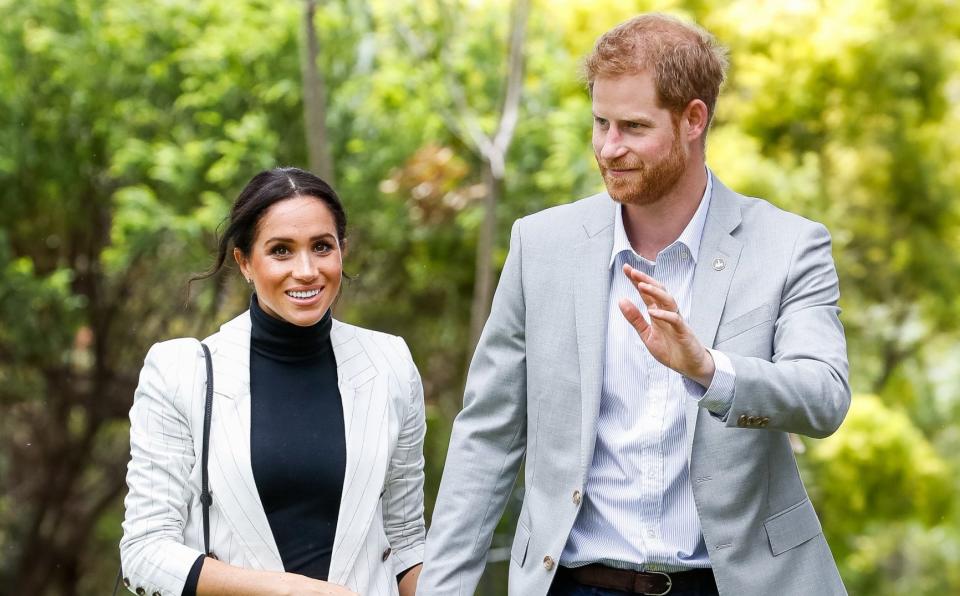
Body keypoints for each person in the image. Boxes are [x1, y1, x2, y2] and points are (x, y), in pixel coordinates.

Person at [419, 13, 849, 596]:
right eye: (600, 123)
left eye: (633, 127)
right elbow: (487, 435)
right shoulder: (540, 245)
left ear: (693, 119)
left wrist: (708, 368)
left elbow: (823, 397)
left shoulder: (789, 244)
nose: (609, 147)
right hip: (573, 584)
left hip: (731, 583)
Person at [120, 168, 425, 596]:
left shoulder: (390, 363)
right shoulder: (180, 371)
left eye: (322, 247)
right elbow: (144, 553)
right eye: (281, 251)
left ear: (343, 251)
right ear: (244, 261)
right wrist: (291, 590)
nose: (306, 270)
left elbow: (408, 542)